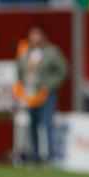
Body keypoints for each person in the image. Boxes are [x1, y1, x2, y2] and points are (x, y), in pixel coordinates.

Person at [14, 26, 68, 163]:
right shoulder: (25, 53)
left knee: (47, 124)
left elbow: (63, 70)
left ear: (43, 37)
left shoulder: (52, 52)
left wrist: (51, 84)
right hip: (31, 94)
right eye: (31, 35)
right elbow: (19, 70)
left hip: (46, 94)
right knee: (33, 125)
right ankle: (35, 156)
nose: (34, 38)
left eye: (37, 35)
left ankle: (51, 156)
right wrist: (23, 87)